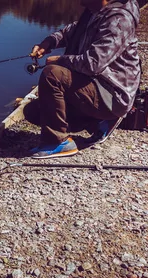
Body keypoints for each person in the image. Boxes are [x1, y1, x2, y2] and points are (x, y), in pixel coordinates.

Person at [27, 0, 141, 159]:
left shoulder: (119, 19)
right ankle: (97, 123)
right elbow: (69, 32)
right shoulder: (94, 11)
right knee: (33, 111)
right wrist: (48, 43)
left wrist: (60, 60)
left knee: (52, 75)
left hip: (113, 93)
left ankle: (58, 142)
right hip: (94, 83)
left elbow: (92, 64)